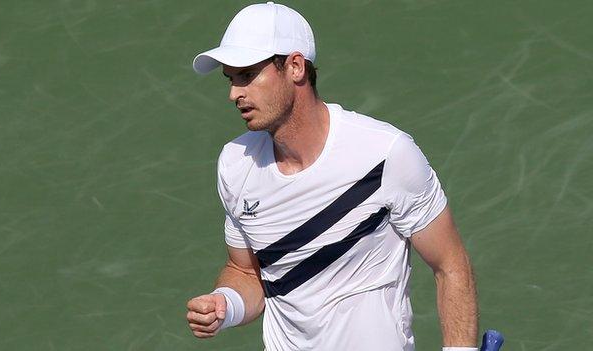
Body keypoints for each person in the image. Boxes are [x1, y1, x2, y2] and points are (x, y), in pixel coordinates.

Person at [186, 2, 478, 350]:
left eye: (247, 75)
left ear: (295, 67)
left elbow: (450, 264)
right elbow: (247, 272)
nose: (234, 93)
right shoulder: (236, 164)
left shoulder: (385, 155)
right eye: (231, 79)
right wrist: (225, 304)